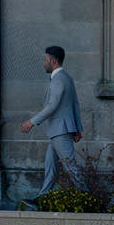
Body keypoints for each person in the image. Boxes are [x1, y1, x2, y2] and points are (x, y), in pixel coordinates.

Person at [21, 44, 83, 200]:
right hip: (58, 131)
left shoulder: (58, 80)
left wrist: (31, 122)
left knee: (71, 167)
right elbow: (74, 104)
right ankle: (42, 198)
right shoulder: (66, 78)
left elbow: (52, 106)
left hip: (60, 131)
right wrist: (78, 128)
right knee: (51, 167)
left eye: (45, 59)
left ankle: (89, 198)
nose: (44, 63)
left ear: (53, 61)